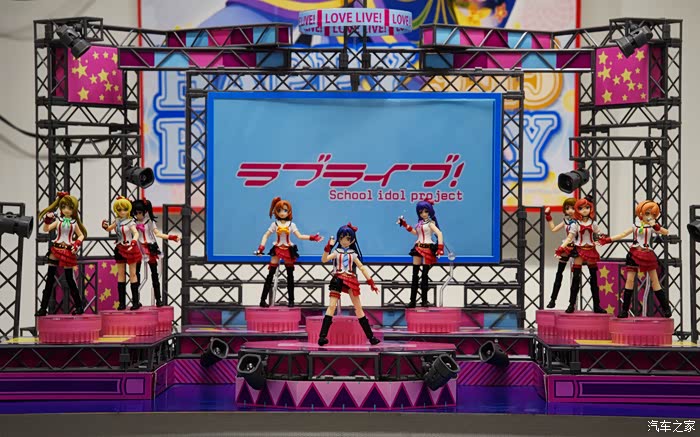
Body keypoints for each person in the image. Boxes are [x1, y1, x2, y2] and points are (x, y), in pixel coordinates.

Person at [599, 200, 672, 318]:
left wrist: (655, 225)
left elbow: (665, 232)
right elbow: (622, 234)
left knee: (655, 281)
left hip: (647, 254)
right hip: (634, 254)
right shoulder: (635, 226)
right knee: (629, 281)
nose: (650, 216)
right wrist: (608, 240)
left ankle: (666, 309)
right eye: (647, 213)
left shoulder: (652, 227)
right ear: (641, 213)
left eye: (653, 214)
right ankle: (624, 311)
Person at [317, 223, 380, 346]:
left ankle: (371, 337)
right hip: (337, 278)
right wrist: (327, 247)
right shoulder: (336, 252)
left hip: (350, 279)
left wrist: (371, 282)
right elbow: (324, 260)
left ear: (352, 240)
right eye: (341, 238)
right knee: (331, 306)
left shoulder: (353, 254)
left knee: (358, 308)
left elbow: (362, 268)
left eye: (347, 238)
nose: (344, 241)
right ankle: (322, 337)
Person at [36, 192, 87, 316]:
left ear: (74, 209)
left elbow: (81, 235)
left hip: (68, 250)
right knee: (49, 280)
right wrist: (47, 220)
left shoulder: (74, 223)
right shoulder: (58, 221)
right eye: (64, 207)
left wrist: (77, 244)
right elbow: (46, 229)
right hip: (56, 249)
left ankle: (79, 307)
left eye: (70, 207)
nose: (66, 210)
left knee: (70, 279)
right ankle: (43, 308)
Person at [397, 200, 444, 307]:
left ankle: (424, 300)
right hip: (418, 248)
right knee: (414, 275)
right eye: (421, 212)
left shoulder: (431, 223)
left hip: (427, 248)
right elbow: (416, 233)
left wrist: (440, 248)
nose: (423, 214)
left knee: (424, 276)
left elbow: (439, 233)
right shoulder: (420, 223)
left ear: (430, 211)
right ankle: (412, 301)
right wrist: (405, 225)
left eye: (426, 211)